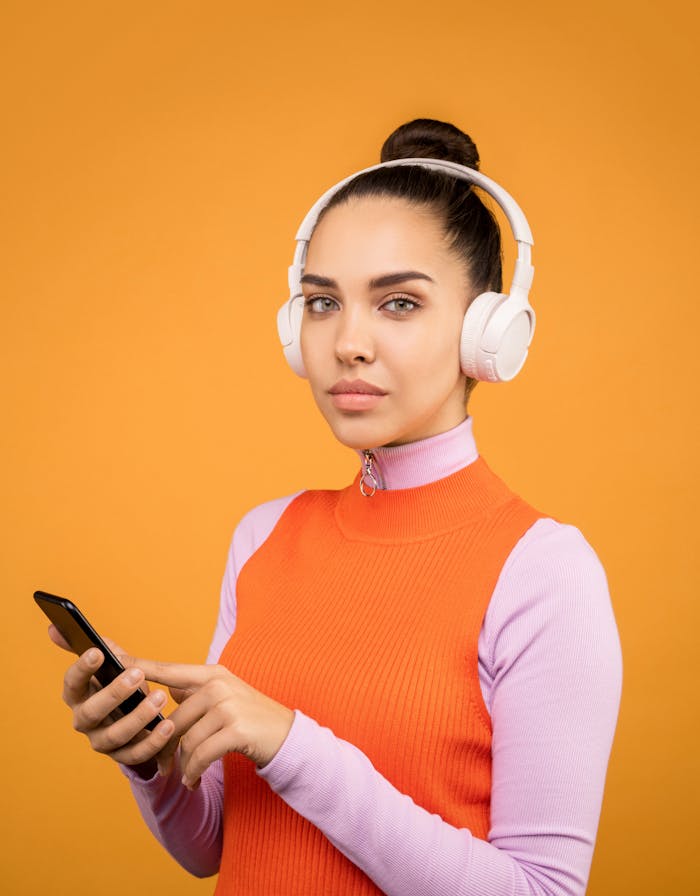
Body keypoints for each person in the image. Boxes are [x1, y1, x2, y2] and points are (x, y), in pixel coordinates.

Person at [50, 118, 623, 896]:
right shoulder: (265, 535)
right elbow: (215, 846)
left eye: (398, 304)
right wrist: (151, 760)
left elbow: (541, 891)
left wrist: (293, 745)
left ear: (488, 331)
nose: (348, 342)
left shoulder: (545, 571)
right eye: (322, 304)